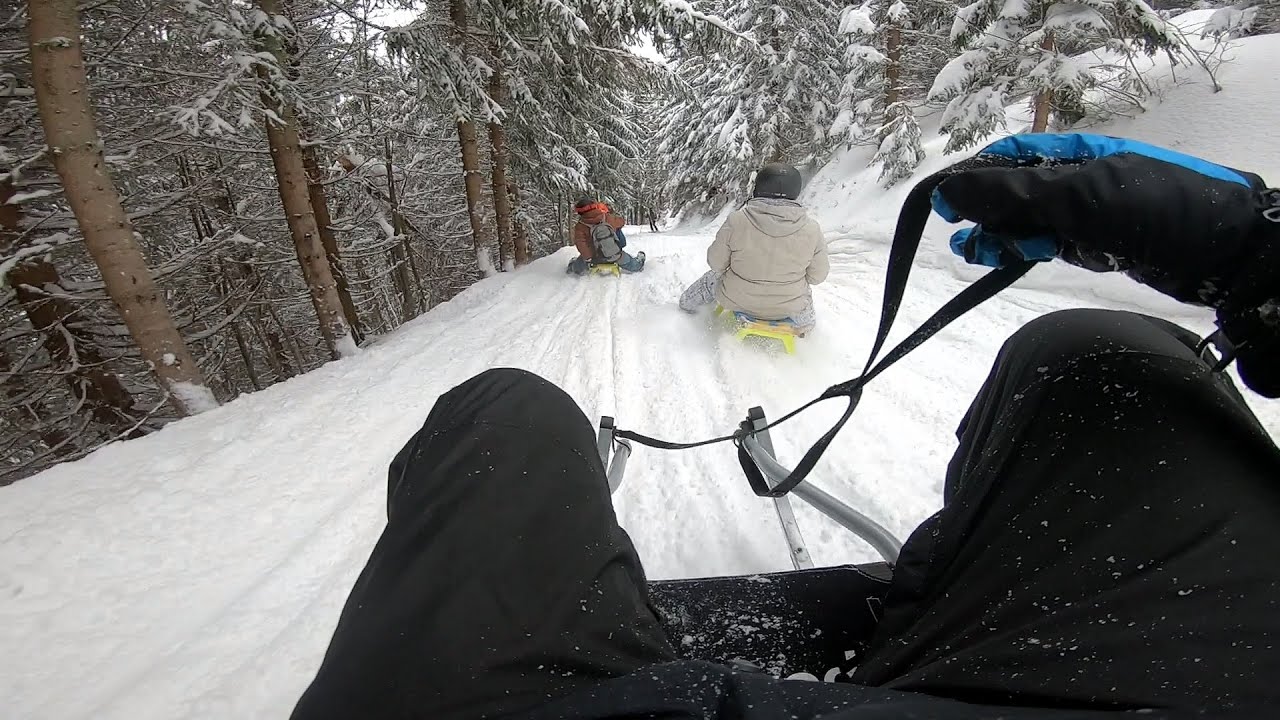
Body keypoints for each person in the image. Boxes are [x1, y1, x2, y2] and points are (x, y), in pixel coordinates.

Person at [290, 134, 1280, 719]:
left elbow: (719, 261)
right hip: (1220, 671)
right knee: (1106, 349)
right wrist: (1260, 261)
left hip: (734, 303)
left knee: (502, 408)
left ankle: (932, 595)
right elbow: (810, 278)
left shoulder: (724, 219)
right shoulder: (807, 231)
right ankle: (935, 596)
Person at [679, 162, 829, 334]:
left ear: (759, 187)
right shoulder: (812, 229)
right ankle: (804, 333)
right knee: (806, 308)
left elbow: (716, 263)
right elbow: (818, 277)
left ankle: (685, 306)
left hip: (737, 299)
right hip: (790, 308)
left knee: (711, 278)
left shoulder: (737, 220)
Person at [567, 197, 646, 274]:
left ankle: (573, 266)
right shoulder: (607, 217)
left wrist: (588, 258)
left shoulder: (580, 226)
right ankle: (639, 260)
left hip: (594, 257)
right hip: (614, 255)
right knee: (635, 265)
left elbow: (581, 244)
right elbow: (621, 222)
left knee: (577, 267)